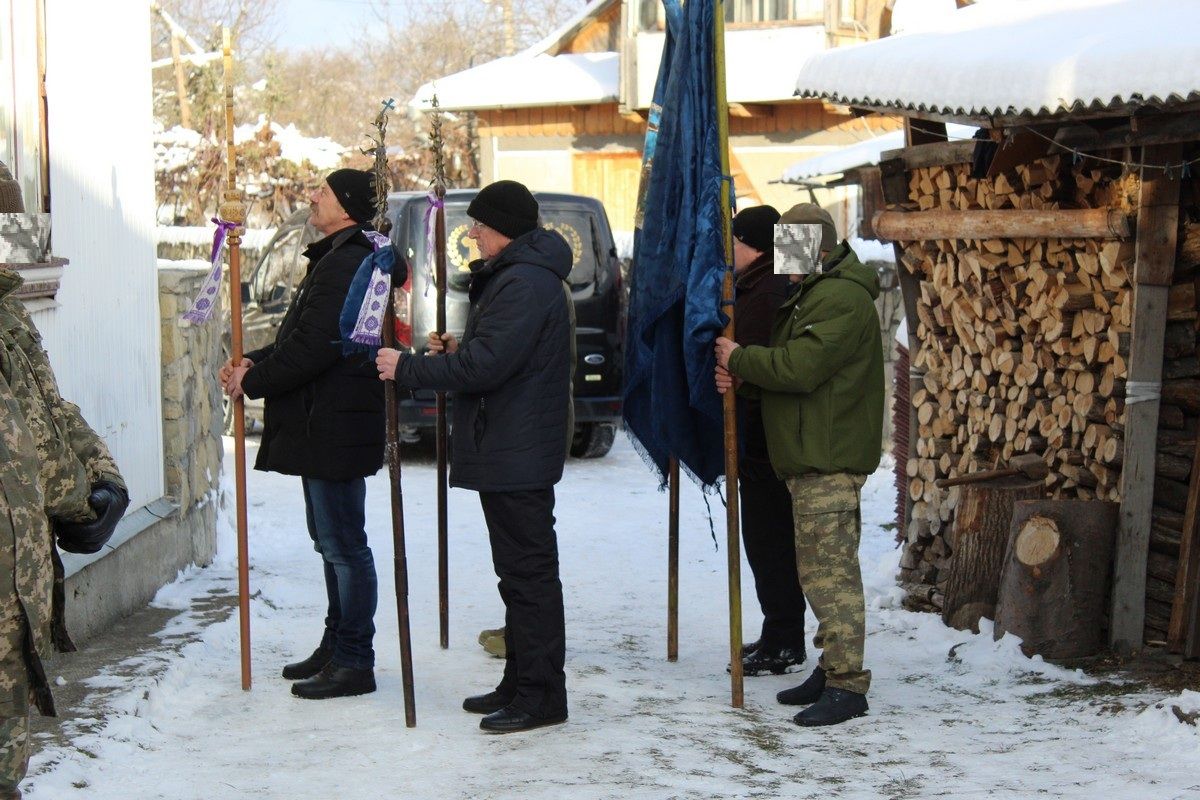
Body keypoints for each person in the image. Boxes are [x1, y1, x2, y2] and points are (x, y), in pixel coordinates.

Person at [375, 179, 573, 734]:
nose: (474, 236)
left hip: (517, 449)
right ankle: (522, 682)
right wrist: (460, 349)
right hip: (510, 444)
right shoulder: (517, 280)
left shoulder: (525, 284)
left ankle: (541, 696)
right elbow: (500, 357)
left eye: (481, 227)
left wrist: (407, 367)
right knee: (516, 576)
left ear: (504, 229)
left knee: (529, 577)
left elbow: (487, 369)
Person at [714, 203, 883, 727]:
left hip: (827, 457)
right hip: (813, 456)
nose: (783, 263)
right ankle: (832, 668)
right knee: (815, 573)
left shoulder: (839, 299)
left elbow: (801, 366)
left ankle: (848, 686)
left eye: (790, 249)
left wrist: (739, 359)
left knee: (832, 578)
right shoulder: (816, 292)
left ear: (814, 247)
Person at [220, 168, 385, 700]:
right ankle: (337, 645)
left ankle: (355, 659)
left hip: (334, 423)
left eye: (324, 192)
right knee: (330, 542)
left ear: (349, 206)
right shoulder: (337, 256)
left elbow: (318, 348)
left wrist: (255, 380)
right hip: (326, 422)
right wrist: (253, 361)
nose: (313, 197)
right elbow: (301, 337)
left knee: (343, 545)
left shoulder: (350, 262)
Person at [1, 265, 128, 800]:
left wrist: (103, 478)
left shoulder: (8, 308)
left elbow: (46, 412)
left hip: (16, 551)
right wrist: (79, 499)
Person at [728, 205, 808, 677]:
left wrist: (731, 362)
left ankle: (784, 639)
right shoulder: (767, 283)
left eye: (733, 241)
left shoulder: (765, 291)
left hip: (765, 441)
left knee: (770, 541)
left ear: (751, 244)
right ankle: (780, 632)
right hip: (767, 438)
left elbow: (755, 364)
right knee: (769, 540)